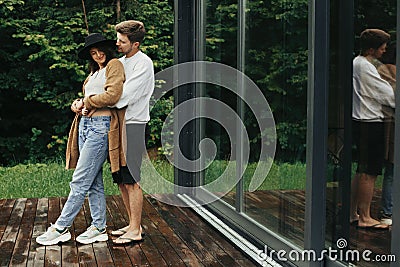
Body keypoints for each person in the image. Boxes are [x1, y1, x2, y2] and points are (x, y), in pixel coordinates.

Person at [36, 33, 125, 245]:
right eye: (93, 53)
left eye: (100, 50)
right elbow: (88, 98)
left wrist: (86, 101)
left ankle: (61, 227)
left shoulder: (114, 65)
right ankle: (99, 227)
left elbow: (113, 96)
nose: (98, 55)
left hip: (101, 128)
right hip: (84, 126)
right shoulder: (94, 72)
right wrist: (77, 103)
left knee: (80, 179)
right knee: (93, 180)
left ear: (107, 48)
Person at [109, 20, 154, 245]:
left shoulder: (143, 64)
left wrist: (102, 100)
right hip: (117, 125)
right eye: (117, 38)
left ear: (135, 44)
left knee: (132, 179)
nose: (117, 43)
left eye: (122, 41)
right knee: (120, 177)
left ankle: (136, 230)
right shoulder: (118, 62)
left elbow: (121, 97)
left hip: (134, 125)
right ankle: (132, 223)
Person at [350, 29, 394, 230]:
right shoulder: (364, 66)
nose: (384, 50)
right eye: (382, 47)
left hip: (362, 121)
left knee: (362, 170)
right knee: (370, 172)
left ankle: (352, 213)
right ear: (371, 49)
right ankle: (365, 217)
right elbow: (385, 93)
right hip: (370, 122)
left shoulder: (357, 63)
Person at [373, 42, 396, 226]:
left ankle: (388, 211)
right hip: (392, 123)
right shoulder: (389, 72)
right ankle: (387, 211)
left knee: (392, 169)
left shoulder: (383, 70)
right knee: (392, 170)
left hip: (387, 123)